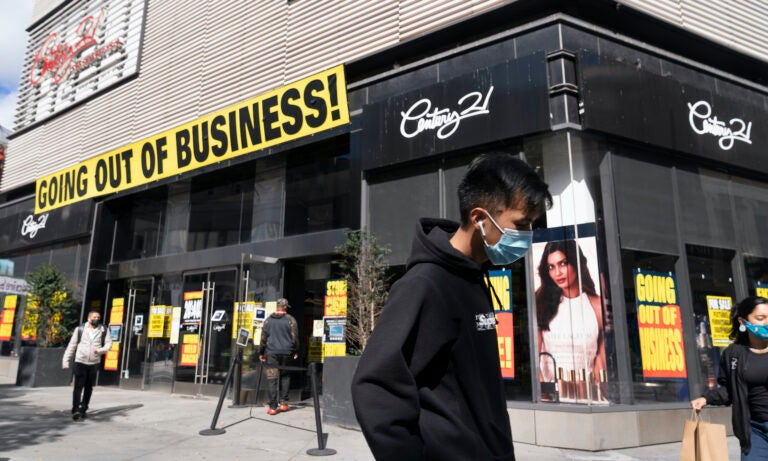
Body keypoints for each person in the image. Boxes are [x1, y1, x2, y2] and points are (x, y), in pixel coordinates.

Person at [352, 153, 551, 461]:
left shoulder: (473, 276)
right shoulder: (425, 284)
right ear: (480, 218)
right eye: (521, 225)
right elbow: (376, 385)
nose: (527, 236)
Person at [691, 296, 768, 459]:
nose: (767, 322)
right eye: (761, 318)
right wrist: (706, 398)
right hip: (755, 430)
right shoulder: (734, 354)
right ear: (742, 321)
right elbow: (730, 390)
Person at [535, 239, 606, 400]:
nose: (557, 273)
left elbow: (601, 362)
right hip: (552, 397)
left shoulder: (596, 305)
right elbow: (534, 358)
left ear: (576, 263)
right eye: (551, 267)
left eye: (563, 263)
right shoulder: (541, 305)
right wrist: (544, 394)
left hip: (589, 396)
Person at [62, 310, 112, 421]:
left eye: (98, 317)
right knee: (78, 386)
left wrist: (100, 350)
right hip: (80, 361)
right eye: (94, 317)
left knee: (89, 387)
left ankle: (83, 408)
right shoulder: (79, 329)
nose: (97, 319)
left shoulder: (103, 329)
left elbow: (109, 344)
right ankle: (75, 409)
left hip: (94, 363)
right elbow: (72, 345)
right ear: (89, 318)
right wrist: (66, 361)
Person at [259, 297, 299, 415]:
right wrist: (295, 351)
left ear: (277, 306)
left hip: (271, 353)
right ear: (285, 307)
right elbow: (295, 337)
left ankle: (272, 407)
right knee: (285, 377)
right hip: (287, 352)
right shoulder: (291, 320)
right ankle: (283, 404)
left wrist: (261, 352)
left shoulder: (268, 320)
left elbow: (263, 338)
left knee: (272, 379)